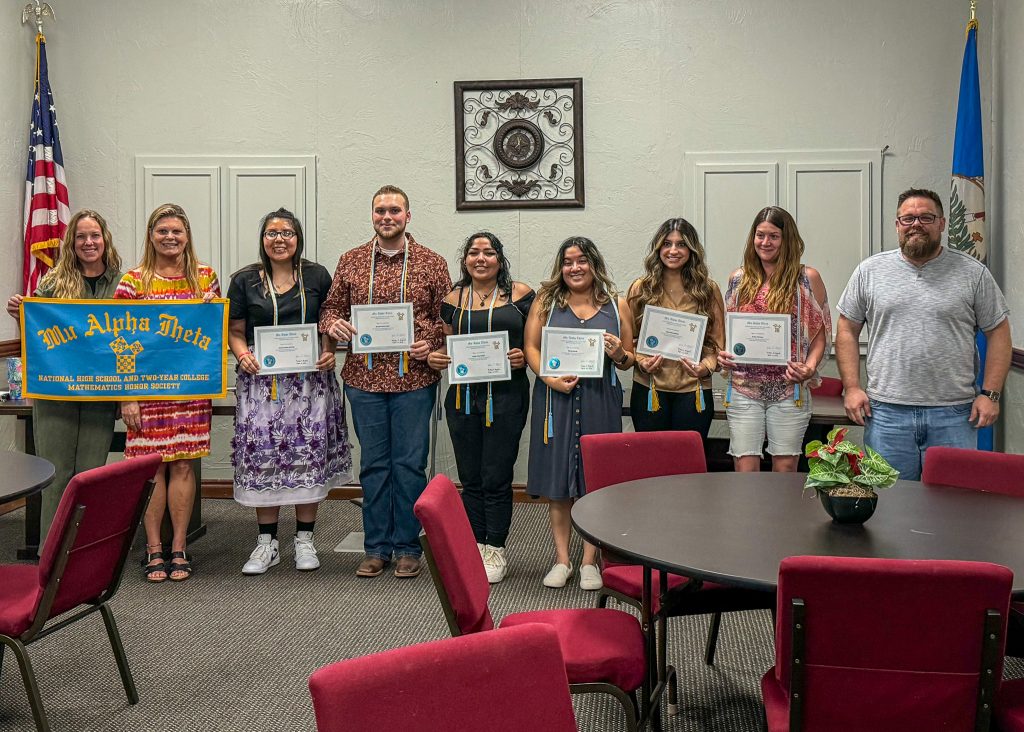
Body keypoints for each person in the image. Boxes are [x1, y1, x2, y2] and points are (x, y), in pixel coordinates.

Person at [835, 187, 1011, 481]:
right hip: (886, 415)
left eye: (926, 217)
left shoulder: (973, 273)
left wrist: (991, 394)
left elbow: (1000, 333)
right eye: (908, 218)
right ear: (897, 225)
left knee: (952, 508)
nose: (916, 224)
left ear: (942, 223)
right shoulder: (870, 272)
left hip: (955, 415)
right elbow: (846, 329)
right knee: (889, 510)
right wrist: (852, 387)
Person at [321, 185, 451, 579]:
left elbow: (448, 316)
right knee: (374, 465)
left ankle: (409, 546)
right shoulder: (352, 260)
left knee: (409, 465)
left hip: (414, 380)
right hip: (364, 380)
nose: (387, 216)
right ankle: (376, 546)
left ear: (408, 216)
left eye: (395, 210)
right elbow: (330, 308)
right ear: (372, 215)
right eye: (380, 211)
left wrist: (430, 341)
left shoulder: (431, 262)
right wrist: (335, 324)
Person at [227, 208, 353, 575]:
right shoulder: (244, 280)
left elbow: (328, 320)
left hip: (309, 384)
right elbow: (235, 331)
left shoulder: (316, 275)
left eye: (286, 233)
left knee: (305, 458)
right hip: (262, 385)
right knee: (265, 459)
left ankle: (304, 540)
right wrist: (244, 354)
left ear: (298, 238)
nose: (279, 239)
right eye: (271, 233)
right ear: (262, 239)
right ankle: (266, 543)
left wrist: (329, 350)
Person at [115, 203, 220, 583]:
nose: (170, 237)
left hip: (189, 390)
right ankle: (153, 547)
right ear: (151, 236)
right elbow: (120, 340)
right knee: (151, 467)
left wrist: (210, 312)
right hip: (146, 392)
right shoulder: (132, 282)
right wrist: (127, 396)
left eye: (177, 231)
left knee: (181, 465)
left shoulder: (205, 279)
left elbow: (212, 338)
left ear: (187, 235)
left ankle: (179, 547)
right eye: (163, 231)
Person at [5, 210, 122, 545]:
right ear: (72, 243)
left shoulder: (122, 283)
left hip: (101, 394)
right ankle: (51, 552)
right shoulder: (53, 283)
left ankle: (84, 551)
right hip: (56, 393)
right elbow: (37, 334)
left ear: (105, 239)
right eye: (81, 237)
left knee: (89, 474)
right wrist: (20, 313)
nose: (88, 243)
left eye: (94, 236)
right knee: (57, 473)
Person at [524, 236, 634, 591]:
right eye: (568, 261)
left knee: (595, 480)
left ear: (594, 264)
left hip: (601, 397)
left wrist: (618, 352)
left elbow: (629, 359)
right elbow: (531, 347)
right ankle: (561, 559)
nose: (575, 267)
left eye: (582, 261)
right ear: (561, 267)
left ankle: (589, 560)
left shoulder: (617, 305)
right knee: (559, 482)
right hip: (555, 398)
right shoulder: (547, 302)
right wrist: (550, 379)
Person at [427, 232, 534, 584]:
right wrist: (437, 357)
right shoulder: (452, 299)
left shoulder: (521, 295)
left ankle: (496, 547)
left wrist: (523, 359)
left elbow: (536, 344)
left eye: (489, 253)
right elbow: (442, 344)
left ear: (499, 260)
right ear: (465, 260)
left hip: (506, 396)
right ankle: (476, 544)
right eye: (474, 252)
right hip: (462, 398)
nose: (481, 258)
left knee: (497, 475)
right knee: (470, 476)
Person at [718, 206, 830, 473]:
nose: (765, 242)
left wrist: (810, 368)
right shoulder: (738, 279)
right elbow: (728, 333)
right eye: (760, 235)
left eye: (774, 236)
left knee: (785, 470)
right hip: (745, 389)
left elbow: (820, 335)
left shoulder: (807, 278)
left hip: (789, 390)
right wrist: (723, 353)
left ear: (786, 238)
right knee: (745, 470)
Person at [627, 218, 724, 440]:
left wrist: (706, 367)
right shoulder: (641, 288)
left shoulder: (708, 290)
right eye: (667, 243)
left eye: (681, 244)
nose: (673, 250)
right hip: (650, 388)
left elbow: (718, 344)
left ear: (692, 250)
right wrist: (641, 360)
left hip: (694, 390)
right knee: (652, 462)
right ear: (658, 248)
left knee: (688, 464)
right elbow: (630, 339)